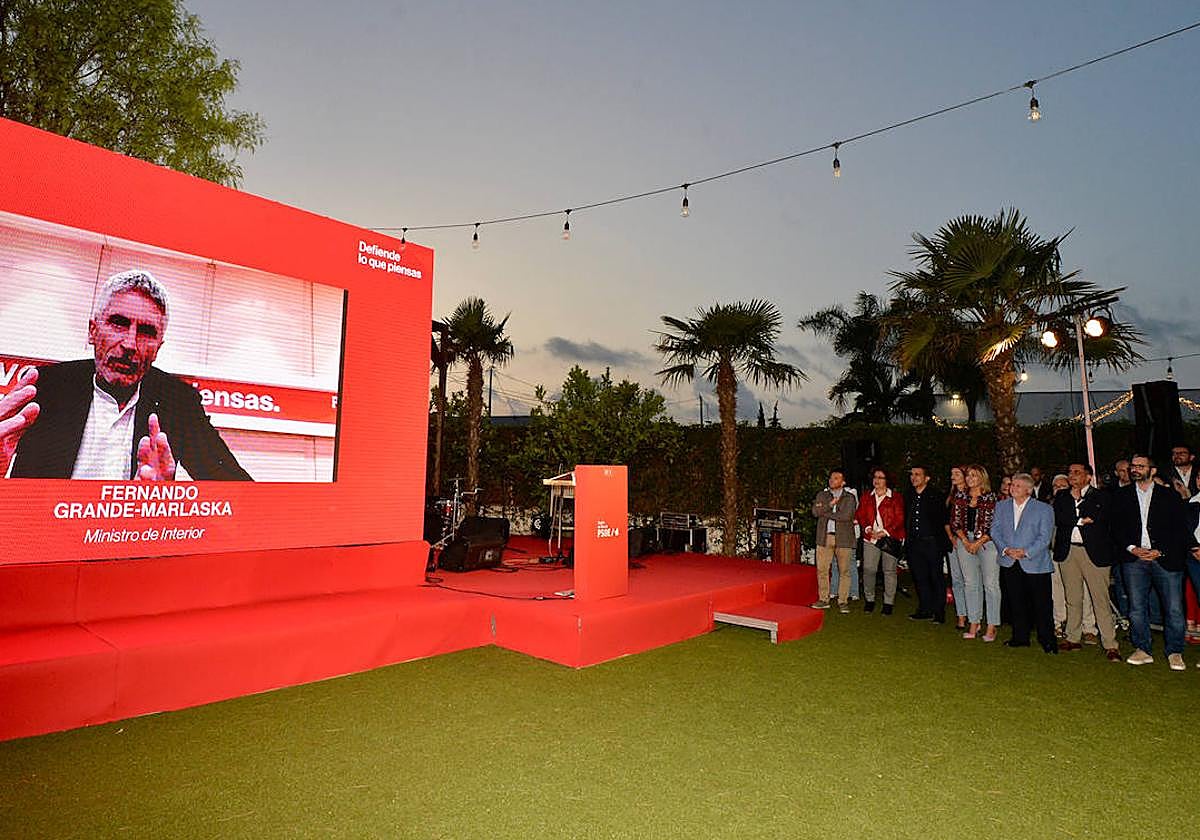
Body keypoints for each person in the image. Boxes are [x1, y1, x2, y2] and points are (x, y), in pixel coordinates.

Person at [1, 270, 252, 481]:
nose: (130, 344)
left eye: (146, 331)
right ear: (92, 331)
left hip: (130, 536)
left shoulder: (179, 401)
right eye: (118, 323)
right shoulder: (47, 388)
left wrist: (170, 501)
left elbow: (236, 489)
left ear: (158, 348)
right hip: (44, 533)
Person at [1111, 454, 1188, 670]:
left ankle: (1175, 651)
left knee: (1173, 608)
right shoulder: (1121, 496)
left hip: (1165, 559)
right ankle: (1142, 648)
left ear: (1152, 470)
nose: (1135, 469)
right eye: (1133, 466)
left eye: (1140, 466)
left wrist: (1160, 551)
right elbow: (1116, 527)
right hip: (1134, 559)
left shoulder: (1169, 496)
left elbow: (1179, 529)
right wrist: (1132, 548)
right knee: (1136, 607)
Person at [1053, 463, 1120, 661]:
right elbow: (1062, 519)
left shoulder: (1101, 497)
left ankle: (1110, 643)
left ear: (1088, 477)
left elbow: (1099, 517)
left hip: (1094, 553)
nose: (1072, 476)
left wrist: (1078, 517)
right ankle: (1072, 637)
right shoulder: (1062, 497)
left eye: (1077, 472)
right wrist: (1081, 520)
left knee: (1099, 599)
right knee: (1072, 597)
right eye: (1070, 472)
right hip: (1069, 551)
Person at [991, 473, 1057, 653]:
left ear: (1028, 490)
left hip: (1035, 563)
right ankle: (1020, 637)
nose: (1013, 488)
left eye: (1018, 486)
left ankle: (1047, 639)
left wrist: (1026, 552)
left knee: (1042, 603)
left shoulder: (1043, 509)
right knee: (1016, 601)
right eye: (1012, 485)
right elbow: (994, 530)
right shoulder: (1001, 506)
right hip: (1010, 561)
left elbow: (1045, 536)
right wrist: (1006, 549)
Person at [952, 464, 1000, 642]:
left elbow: (995, 525)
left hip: (987, 543)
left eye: (974, 475)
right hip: (965, 541)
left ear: (982, 478)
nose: (970, 478)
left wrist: (978, 542)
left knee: (991, 584)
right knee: (970, 583)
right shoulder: (960, 496)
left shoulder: (992, 497)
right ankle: (974, 622)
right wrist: (966, 541)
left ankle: (992, 625)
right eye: (968, 475)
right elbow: (955, 522)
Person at [855, 467, 905, 615]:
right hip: (870, 538)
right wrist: (869, 529)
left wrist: (885, 531)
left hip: (890, 538)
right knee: (869, 569)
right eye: (875, 477)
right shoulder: (866, 497)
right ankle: (869, 599)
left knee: (889, 571)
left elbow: (900, 517)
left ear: (887, 481)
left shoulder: (895, 497)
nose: (877, 480)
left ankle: (888, 602)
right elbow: (861, 515)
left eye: (881, 477)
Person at [905, 464, 948, 623]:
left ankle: (939, 611)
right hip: (914, 543)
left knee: (936, 576)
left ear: (927, 478)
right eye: (912, 474)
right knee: (920, 577)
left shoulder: (935, 496)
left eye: (917, 474)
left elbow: (942, 520)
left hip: (932, 542)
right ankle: (925, 609)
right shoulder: (909, 495)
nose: (913, 477)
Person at [811, 468, 858, 613]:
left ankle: (843, 601)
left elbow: (846, 516)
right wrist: (830, 505)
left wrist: (825, 513)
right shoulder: (822, 495)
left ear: (843, 482)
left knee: (845, 570)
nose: (832, 480)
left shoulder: (849, 497)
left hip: (843, 538)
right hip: (824, 537)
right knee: (822, 570)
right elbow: (815, 512)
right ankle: (823, 599)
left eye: (836, 478)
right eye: (831, 478)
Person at [945, 466, 969, 631]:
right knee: (957, 579)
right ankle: (961, 615)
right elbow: (946, 519)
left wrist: (964, 539)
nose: (953, 476)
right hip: (953, 541)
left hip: (969, 541)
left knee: (971, 580)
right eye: (951, 473)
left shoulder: (973, 495)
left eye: (957, 474)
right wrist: (951, 537)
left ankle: (974, 614)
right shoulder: (950, 497)